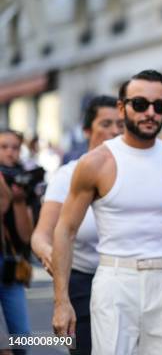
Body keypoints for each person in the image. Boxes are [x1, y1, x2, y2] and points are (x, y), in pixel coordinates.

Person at [51, 70, 162, 354]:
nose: (150, 113)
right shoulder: (96, 163)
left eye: (160, 106)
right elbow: (65, 230)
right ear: (122, 108)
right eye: (140, 104)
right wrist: (61, 302)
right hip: (115, 281)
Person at [31, 95, 123, 354]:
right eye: (106, 123)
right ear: (86, 130)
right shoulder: (68, 175)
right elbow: (41, 235)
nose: (115, 130)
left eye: (120, 124)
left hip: (129, 281)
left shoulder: (134, 171)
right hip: (83, 283)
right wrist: (50, 254)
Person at [0, 129, 34, 349]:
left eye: (15, 147)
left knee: (22, 337)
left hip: (11, 263)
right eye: (3, 147)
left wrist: (20, 201)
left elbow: (26, 235)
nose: (10, 153)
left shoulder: (23, 179)